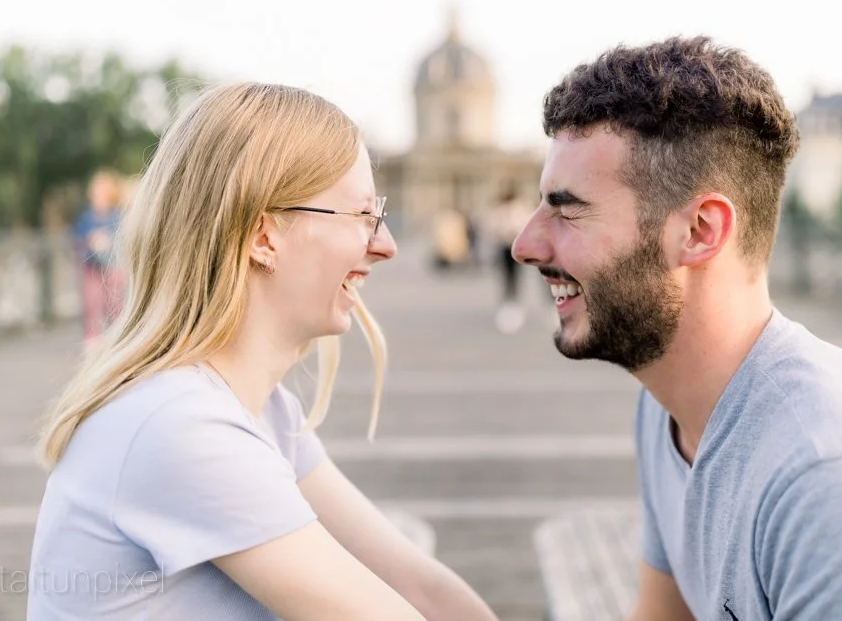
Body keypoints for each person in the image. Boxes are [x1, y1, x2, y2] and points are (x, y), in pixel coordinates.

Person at [511, 37, 842, 619]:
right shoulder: (668, 408)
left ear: (700, 231)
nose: (524, 244)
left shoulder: (839, 491)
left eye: (567, 208)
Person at [29, 83, 499, 621]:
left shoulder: (260, 410)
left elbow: (420, 589)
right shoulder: (180, 426)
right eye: (362, 214)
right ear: (263, 236)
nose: (386, 243)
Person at [72, 170, 125, 344]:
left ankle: (117, 338)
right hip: (91, 265)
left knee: (114, 303)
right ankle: (92, 339)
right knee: (91, 302)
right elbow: (76, 239)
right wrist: (89, 241)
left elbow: (123, 241)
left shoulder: (116, 217)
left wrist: (108, 241)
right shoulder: (86, 218)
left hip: (112, 265)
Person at [486, 187, 531, 333]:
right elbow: (493, 227)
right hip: (505, 245)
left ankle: (514, 302)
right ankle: (509, 302)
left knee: (514, 276)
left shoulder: (519, 208)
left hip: (513, 245)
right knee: (507, 276)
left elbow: (523, 225)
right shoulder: (501, 210)